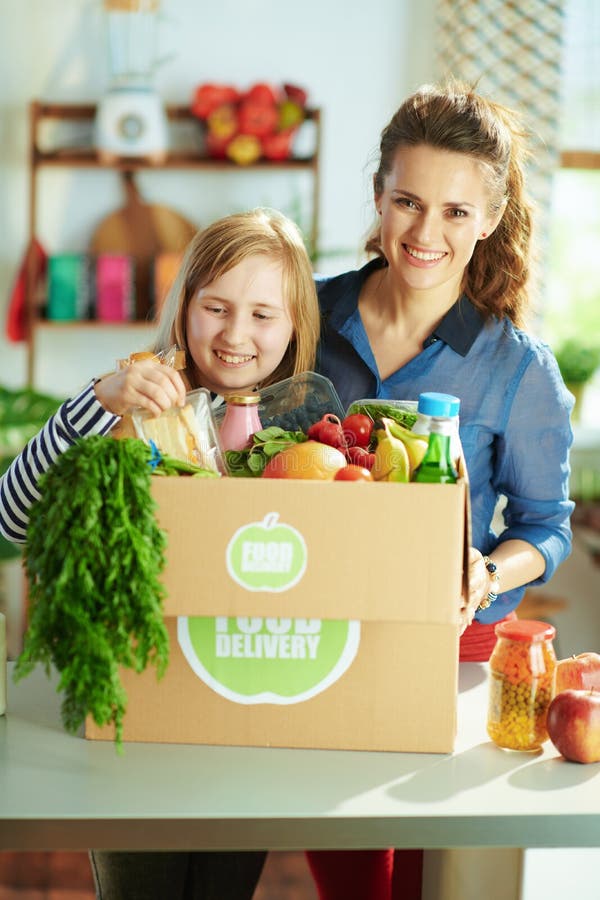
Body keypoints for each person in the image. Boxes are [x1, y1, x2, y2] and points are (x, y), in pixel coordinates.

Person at [0, 207, 320, 900]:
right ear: (185, 307)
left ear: (296, 326)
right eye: (216, 307)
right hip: (135, 720)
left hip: (249, 714)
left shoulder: (309, 437)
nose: (236, 335)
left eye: (264, 315)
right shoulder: (131, 402)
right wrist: (98, 403)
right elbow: (14, 516)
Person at [306, 79, 574, 900]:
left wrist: (489, 573)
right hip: (311, 627)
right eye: (409, 201)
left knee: (404, 871)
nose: (427, 233)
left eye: (457, 212)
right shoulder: (304, 319)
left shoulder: (516, 368)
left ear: (488, 219)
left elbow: (546, 528)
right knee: (347, 870)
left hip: (447, 649)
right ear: (379, 196)